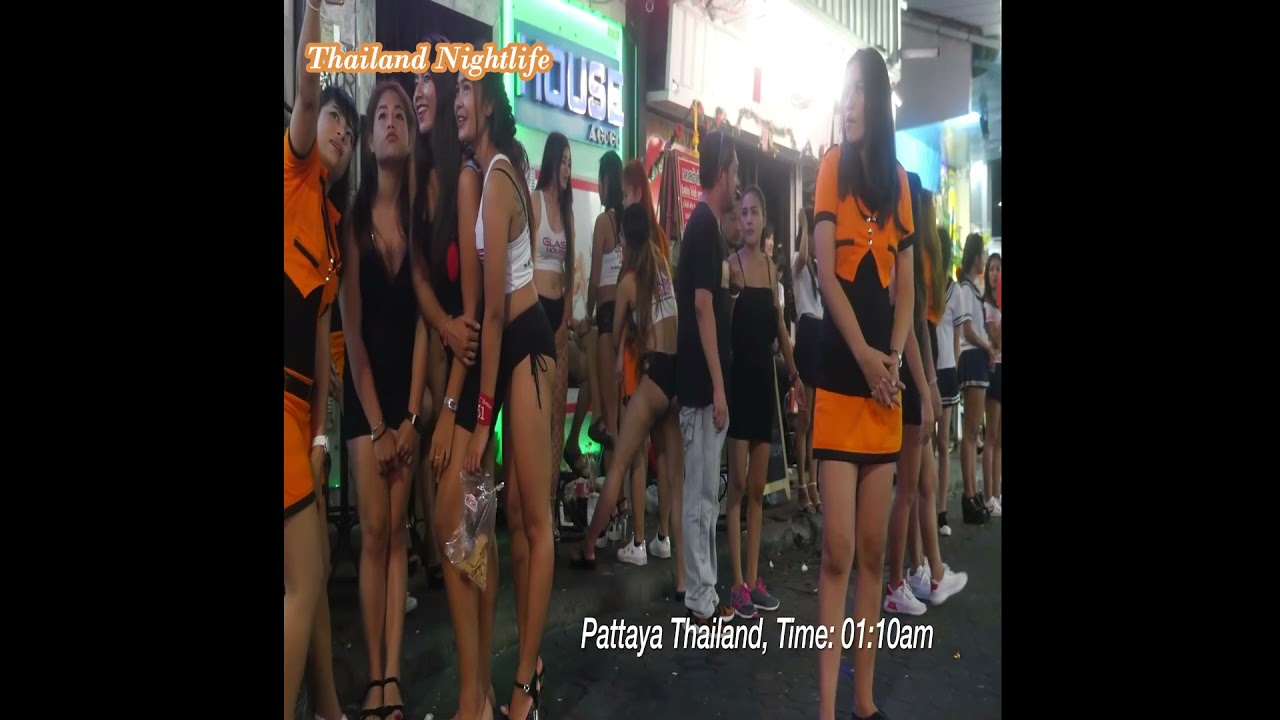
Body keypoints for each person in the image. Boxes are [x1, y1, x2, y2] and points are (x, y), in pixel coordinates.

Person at [812, 48, 914, 720]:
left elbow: (909, 288)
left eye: (858, 93)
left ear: (876, 103)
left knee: (874, 553)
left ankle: (865, 701)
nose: (848, 104)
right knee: (839, 551)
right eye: (844, 91)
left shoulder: (899, 182)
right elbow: (825, 275)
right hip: (842, 380)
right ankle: (826, 707)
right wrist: (866, 357)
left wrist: (895, 359)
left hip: (884, 392)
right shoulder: (829, 168)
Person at [457, 69, 557, 720]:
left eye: (465, 93)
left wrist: (479, 420)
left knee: (535, 520)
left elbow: (493, 314)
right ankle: (527, 664)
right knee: (512, 519)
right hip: (517, 346)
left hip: (525, 343)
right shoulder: (494, 173)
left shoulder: (496, 178)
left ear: (488, 103)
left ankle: (524, 684)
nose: (457, 104)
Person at [410, 48, 500, 720]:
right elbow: (423, 279)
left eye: (426, 81)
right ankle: (484, 692)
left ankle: (474, 697)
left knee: (459, 536)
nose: (419, 91)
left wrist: (450, 411)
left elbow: (472, 320)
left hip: (470, 385)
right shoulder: (428, 182)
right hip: (455, 381)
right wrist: (438, 322)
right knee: (472, 541)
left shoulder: (467, 179)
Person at [339, 80, 425, 720]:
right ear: (370, 139)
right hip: (364, 399)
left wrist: (413, 418)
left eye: (401, 114)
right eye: (382, 116)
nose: (391, 122)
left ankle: (393, 675)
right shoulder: (352, 222)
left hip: (406, 397)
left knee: (398, 535)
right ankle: (373, 677)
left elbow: (425, 323)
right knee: (372, 534)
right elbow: (352, 336)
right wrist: (379, 426)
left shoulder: (421, 221)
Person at [284, 3, 356, 718]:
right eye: (336, 117)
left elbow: (324, 346)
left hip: (299, 418)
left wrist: (323, 439)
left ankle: (329, 707)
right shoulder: (295, 172)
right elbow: (306, 90)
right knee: (304, 582)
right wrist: (311, 9)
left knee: (313, 569)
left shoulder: (334, 232)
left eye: (349, 129)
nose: (340, 131)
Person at [571, 204, 682, 570]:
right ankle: (664, 541)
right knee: (664, 461)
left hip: (654, 373)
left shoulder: (628, 282)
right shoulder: (661, 265)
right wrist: (623, 353)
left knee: (620, 461)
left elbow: (615, 329)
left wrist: (596, 334)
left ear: (624, 241)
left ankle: (591, 546)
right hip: (676, 371)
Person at [882, 173, 968, 618]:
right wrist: (925, 387)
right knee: (908, 488)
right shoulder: (906, 255)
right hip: (907, 379)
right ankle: (901, 580)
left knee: (914, 485)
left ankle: (919, 572)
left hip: (909, 376)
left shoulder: (906, 253)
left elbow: (918, 330)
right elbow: (913, 332)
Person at [725, 185, 803, 618]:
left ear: (765, 219)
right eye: (744, 213)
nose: (749, 219)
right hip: (738, 385)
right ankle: (736, 582)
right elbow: (722, 328)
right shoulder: (731, 267)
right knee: (737, 487)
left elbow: (779, 330)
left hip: (763, 387)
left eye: (755, 212)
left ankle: (753, 579)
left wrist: (795, 374)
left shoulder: (772, 270)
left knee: (756, 489)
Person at [676, 130, 739, 624]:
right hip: (699, 385)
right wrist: (718, 386)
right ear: (721, 173)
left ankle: (705, 590)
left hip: (704, 384)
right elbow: (702, 307)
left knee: (704, 495)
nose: (737, 181)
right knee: (700, 496)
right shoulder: (702, 227)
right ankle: (700, 595)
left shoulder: (707, 227)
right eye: (735, 171)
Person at [619, 159, 681, 586]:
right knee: (666, 456)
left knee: (635, 451)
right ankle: (663, 538)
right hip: (669, 363)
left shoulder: (637, 246)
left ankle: (638, 540)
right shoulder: (660, 245)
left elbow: (628, 310)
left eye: (626, 192)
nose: (623, 198)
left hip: (643, 359)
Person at [529, 132, 581, 483]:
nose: (566, 168)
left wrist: (565, 313)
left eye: (569, 163)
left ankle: (549, 499)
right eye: (562, 160)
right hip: (533, 312)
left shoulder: (567, 211)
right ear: (550, 161)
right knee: (535, 408)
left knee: (557, 414)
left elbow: (570, 268)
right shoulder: (534, 202)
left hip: (558, 316)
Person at [583, 152, 625, 458]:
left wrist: (587, 312)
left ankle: (597, 416)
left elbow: (595, 280)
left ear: (606, 181)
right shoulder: (627, 223)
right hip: (629, 321)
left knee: (611, 421)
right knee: (623, 410)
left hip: (608, 316)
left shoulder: (603, 222)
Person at [956, 233, 995, 524]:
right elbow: (968, 331)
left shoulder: (972, 289)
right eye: (982, 255)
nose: (984, 260)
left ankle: (972, 493)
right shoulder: (966, 290)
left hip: (976, 359)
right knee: (970, 434)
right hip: (972, 358)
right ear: (975, 258)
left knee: (973, 433)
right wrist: (987, 348)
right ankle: (968, 495)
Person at [932, 227, 969, 531]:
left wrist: (954, 369)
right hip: (929, 369)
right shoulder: (926, 287)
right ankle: (928, 507)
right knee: (928, 444)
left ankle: (941, 509)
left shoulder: (954, 291)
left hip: (945, 370)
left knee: (942, 443)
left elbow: (957, 340)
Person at [981, 252, 1002, 515]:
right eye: (992, 269)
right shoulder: (986, 305)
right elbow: (996, 340)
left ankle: (997, 493)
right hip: (993, 369)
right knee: (991, 436)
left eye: (999, 269)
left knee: (1000, 439)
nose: (996, 274)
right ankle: (987, 495)